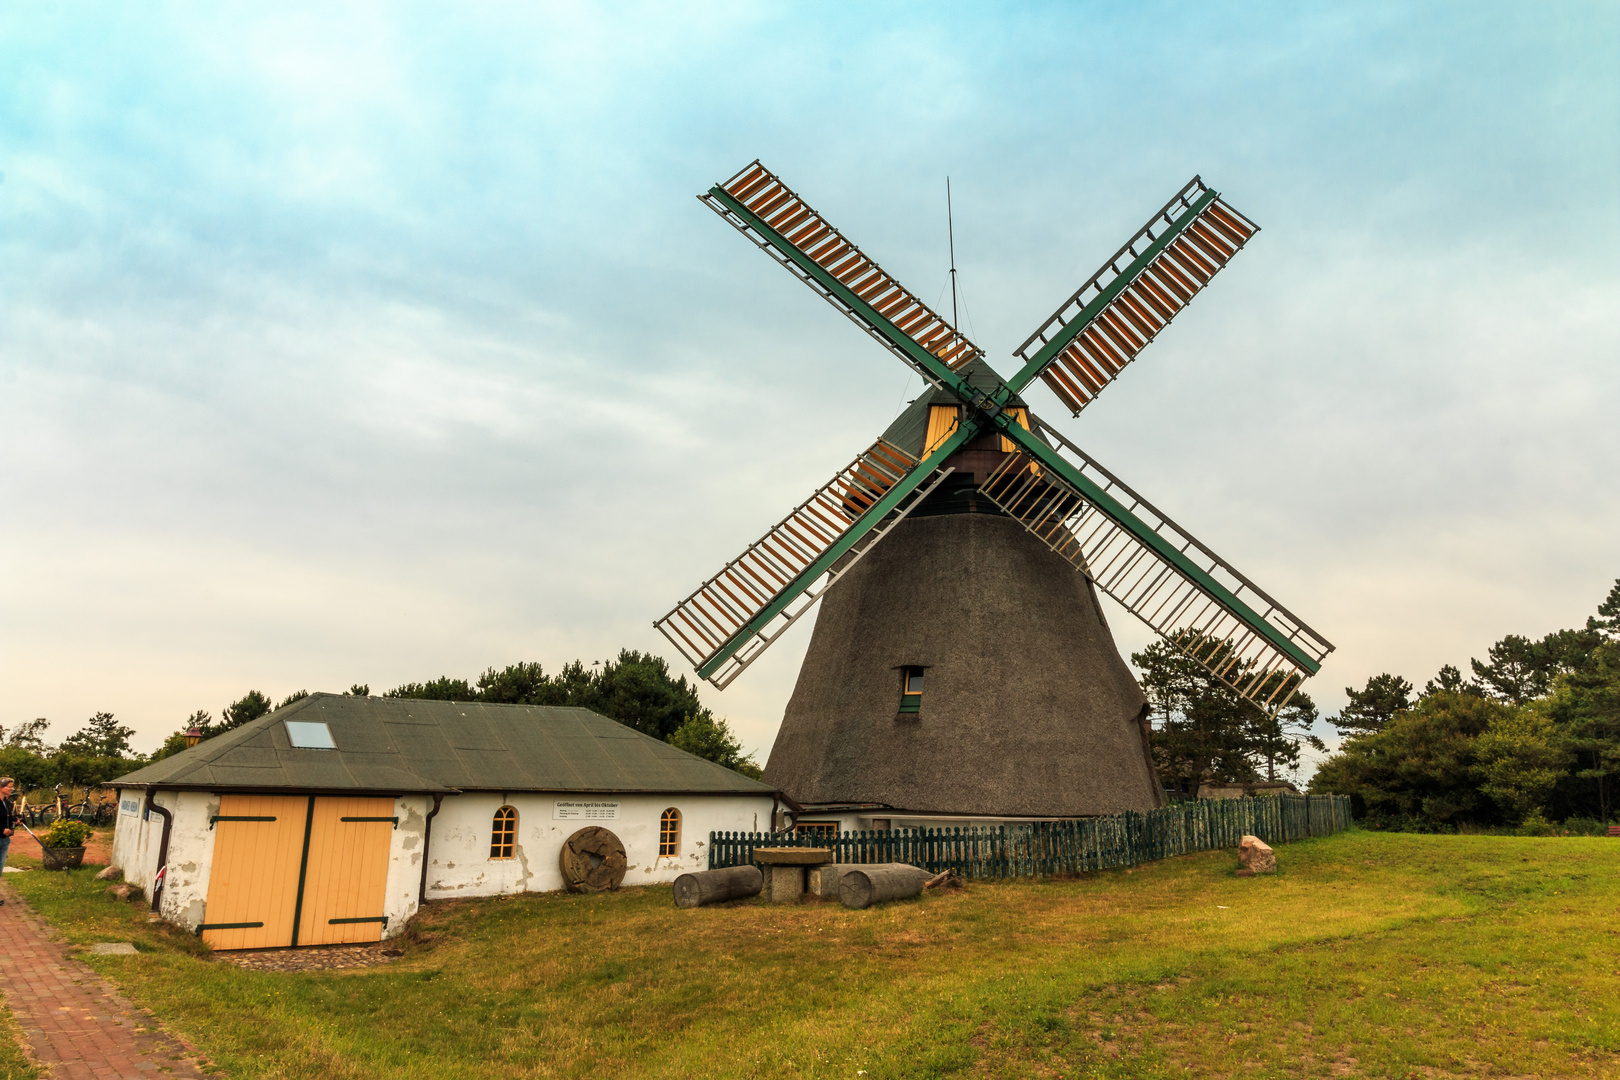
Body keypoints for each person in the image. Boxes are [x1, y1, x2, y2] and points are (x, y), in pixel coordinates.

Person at [0, 777, 14, 905]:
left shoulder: (8, 803)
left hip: (4, 840)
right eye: (9, 786)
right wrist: (1, 829)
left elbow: (10, 819)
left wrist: (15, 823)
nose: (11, 789)